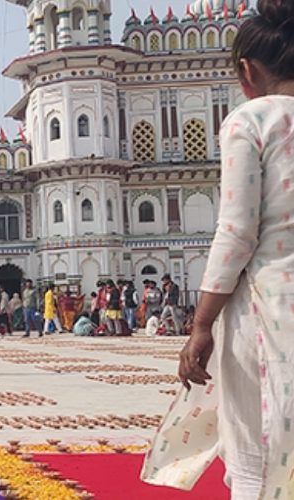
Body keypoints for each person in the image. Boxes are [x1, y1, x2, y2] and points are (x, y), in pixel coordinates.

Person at [144, 6, 294, 496]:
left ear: (247, 71)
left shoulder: (251, 120)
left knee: (255, 451)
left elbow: (235, 232)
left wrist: (202, 324)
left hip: (269, 309)